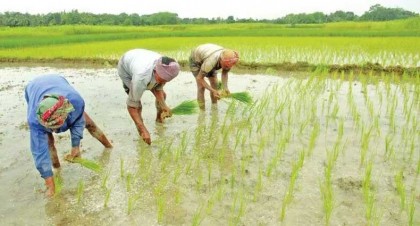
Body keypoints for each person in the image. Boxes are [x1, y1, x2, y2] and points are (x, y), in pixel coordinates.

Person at [25, 74, 113, 197]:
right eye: (51, 127)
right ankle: (57, 168)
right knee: (48, 142)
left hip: (58, 81)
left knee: (90, 124)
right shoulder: (35, 120)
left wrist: (75, 146)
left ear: (64, 113)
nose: (54, 130)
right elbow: (39, 153)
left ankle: (109, 147)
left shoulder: (75, 102)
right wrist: (50, 187)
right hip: (33, 88)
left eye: (55, 126)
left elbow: (78, 122)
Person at [117, 49, 180, 145]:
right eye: (163, 79)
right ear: (156, 71)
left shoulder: (167, 66)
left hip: (141, 58)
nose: (164, 82)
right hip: (126, 67)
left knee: (163, 95)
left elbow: (158, 89)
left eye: (166, 80)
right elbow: (131, 107)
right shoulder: (140, 77)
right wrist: (143, 129)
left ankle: (159, 118)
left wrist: (164, 106)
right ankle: (141, 130)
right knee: (136, 105)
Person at [189, 43, 239, 110]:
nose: (227, 67)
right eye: (226, 66)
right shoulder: (210, 62)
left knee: (214, 83)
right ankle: (202, 111)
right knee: (201, 87)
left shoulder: (230, 60)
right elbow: (199, 78)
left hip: (208, 56)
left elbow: (225, 72)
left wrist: (225, 87)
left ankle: (214, 108)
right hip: (196, 60)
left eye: (228, 66)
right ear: (221, 60)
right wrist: (213, 91)